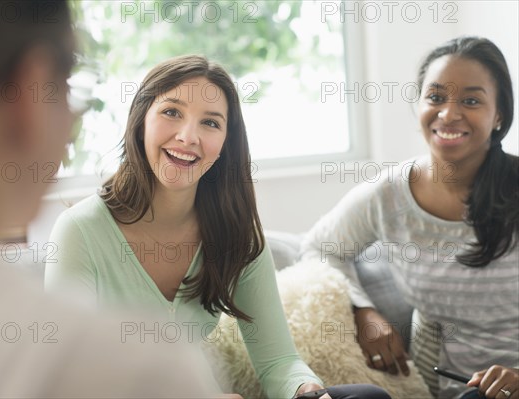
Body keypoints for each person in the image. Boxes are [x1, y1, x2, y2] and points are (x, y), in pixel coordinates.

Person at [0, 1, 228, 397]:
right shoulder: (136, 369)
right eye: (67, 89)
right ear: (28, 97)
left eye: (210, 122)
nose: (188, 136)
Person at [44, 54, 391, 399]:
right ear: (140, 120)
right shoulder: (80, 231)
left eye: (210, 123)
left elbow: (278, 361)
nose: (188, 136)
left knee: (366, 397)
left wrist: (308, 391)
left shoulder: (235, 235)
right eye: (172, 112)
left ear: (226, 142)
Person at [300, 36, 519, 399]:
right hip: (449, 388)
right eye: (435, 97)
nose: (448, 114)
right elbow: (321, 247)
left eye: (470, 100)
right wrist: (363, 311)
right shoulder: (389, 195)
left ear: (498, 114)